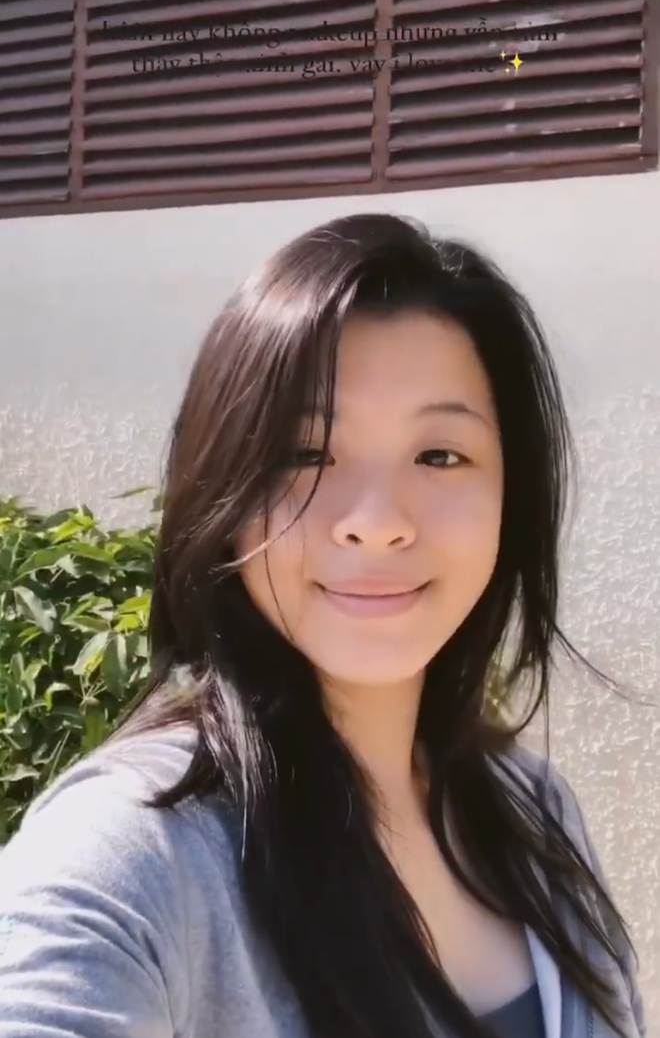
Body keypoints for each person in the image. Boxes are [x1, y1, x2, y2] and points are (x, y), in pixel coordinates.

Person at [0, 213, 645, 1038]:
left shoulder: (534, 812)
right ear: (223, 490)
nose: (376, 523)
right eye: (306, 455)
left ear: (508, 497)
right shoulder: (138, 851)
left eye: (440, 455)